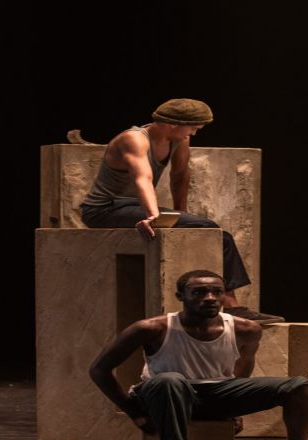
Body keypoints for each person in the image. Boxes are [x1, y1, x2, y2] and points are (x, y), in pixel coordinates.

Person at [80, 98, 282, 323]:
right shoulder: (134, 139)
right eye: (193, 128)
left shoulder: (178, 140)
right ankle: (230, 306)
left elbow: (179, 175)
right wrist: (153, 216)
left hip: (133, 206)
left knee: (219, 235)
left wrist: (181, 213)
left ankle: (232, 305)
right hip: (103, 209)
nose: (194, 133)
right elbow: (142, 178)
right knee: (208, 226)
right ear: (173, 124)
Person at [89, 269, 308, 440]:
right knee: (170, 381)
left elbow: (243, 368)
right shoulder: (152, 328)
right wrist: (132, 411)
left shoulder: (246, 329)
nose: (210, 298)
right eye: (199, 292)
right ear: (180, 296)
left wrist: (236, 409)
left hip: (215, 393)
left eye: (217, 292)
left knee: (298, 387)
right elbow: (99, 370)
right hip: (164, 395)